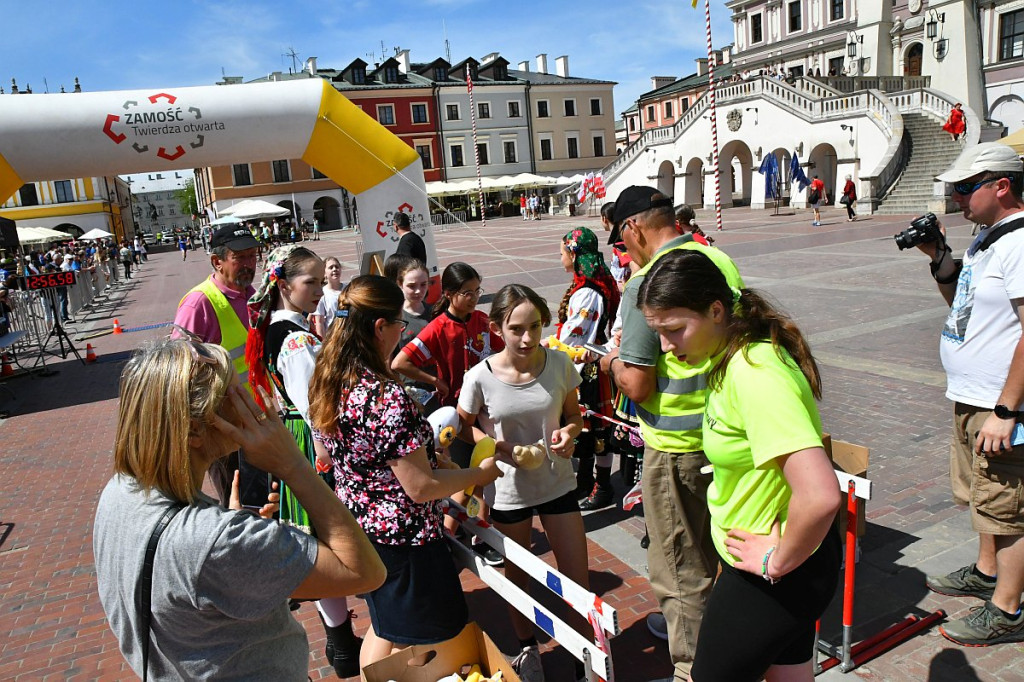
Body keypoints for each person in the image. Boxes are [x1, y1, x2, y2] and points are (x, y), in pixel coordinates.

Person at [93, 336, 385, 681]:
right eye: (234, 394)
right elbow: (365, 572)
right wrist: (293, 464)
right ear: (195, 431)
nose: (249, 400)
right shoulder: (216, 541)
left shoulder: (120, 491)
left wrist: (230, 530)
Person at [638, 248, 841, 681]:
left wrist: (778, 561)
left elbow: (821, 495)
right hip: (781, 567)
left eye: (675, 329)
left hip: (771, 574)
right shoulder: (730, 359)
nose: (666, 348)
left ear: (715, 310)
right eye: (657, 333)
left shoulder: (754, 373)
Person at [309, 275, 501, 670]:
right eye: (399, 324)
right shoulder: (383, 395)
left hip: (364, 531)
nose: (403, 331)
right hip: (406, 540)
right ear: (380, 327)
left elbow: (328, 453)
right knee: (423, 643)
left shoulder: (331, 381)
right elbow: (420, 487)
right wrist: (475, 476)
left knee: (387, 630)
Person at [597, 185, 743, 680]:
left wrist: (612, 358)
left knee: (681, 571)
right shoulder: (716, 259)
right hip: (723, 433)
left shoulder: (647, 283)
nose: (623, 250)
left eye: (621, 238)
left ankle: (691, 671)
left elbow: (637, 383)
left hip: (674, 446)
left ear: (634, 227)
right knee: (721, 557)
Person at [919, 142, 1024, 646]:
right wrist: (939, 256)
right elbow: (961, 306)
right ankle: (987, 572)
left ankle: (1007, 608)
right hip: (971, 393)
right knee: (986, 497)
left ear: (1001, 186)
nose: (956, 197)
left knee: (1008, 505)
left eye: (965, 187)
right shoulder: (987, 237)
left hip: (999, 402)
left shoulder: (1020, 242)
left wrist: (1007, 409)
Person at [244, 245, 364, 677]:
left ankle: (340, 640)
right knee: (328, 539)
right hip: (312, 442)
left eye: (319, 281)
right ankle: (343, 644)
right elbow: (315, 404)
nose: (317, 289)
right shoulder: (294, 338)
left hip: (299, 437)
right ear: (284, 284)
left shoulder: (282, 329)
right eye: (309, 282)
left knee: (321, 540)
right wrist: (329, 448)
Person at [457, 284, 588, 682]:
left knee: (576, 578)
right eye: (517, 329)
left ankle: (586, 656)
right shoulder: (479, 376)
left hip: (558, 484)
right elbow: (463, 428)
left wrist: (570, 433)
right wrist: (495, 446)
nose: (528, 337)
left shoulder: (561, 364)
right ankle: (528, 650)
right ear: (497, 328)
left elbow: (575, 417)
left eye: (535, 326)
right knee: (517, 578)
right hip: (509, 490)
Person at [173, 224, 261, 506]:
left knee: (262, 502)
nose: (249, 264)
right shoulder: (199, 303)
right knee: (239, 506)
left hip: (254, 420)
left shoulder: (251, 294)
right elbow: (178, 368)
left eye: (253, 256)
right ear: (217, 261)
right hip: (223, 431)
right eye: (241, 258)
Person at [556, 226, 621, 510]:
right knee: (586, 429)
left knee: (597, 431)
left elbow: (574, 335)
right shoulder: (590, 284)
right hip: (588, 362)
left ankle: (603, 486)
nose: (560, 259)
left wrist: (549, 347)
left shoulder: (587, 292)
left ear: (573, 252)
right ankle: (585, 478)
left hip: (590, 366)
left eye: (562, 253)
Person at [311, 256, 346, 339]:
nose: (334, 269)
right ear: (324, 273)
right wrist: (323, 343)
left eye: (337, 267)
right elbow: (319, 322)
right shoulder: (322, 294)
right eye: (331, 267)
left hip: (349, 334)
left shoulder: (348, 288)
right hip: (333, 338)